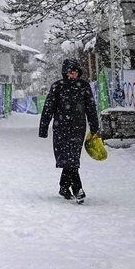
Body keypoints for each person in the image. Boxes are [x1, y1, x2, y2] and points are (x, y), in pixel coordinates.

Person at [38, 58, 100, 203]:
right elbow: (48, 109)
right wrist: (43, 128)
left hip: (78, 129)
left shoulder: (84, 86)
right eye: (71, 72)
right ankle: (78, 189)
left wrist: (94, 127)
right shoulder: (57, 87)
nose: (73, 75)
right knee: (68, 158)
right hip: (61, 128)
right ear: (65, 73)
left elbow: (90, 108)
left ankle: (64, 187)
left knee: (72, 159)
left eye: (76, 72)